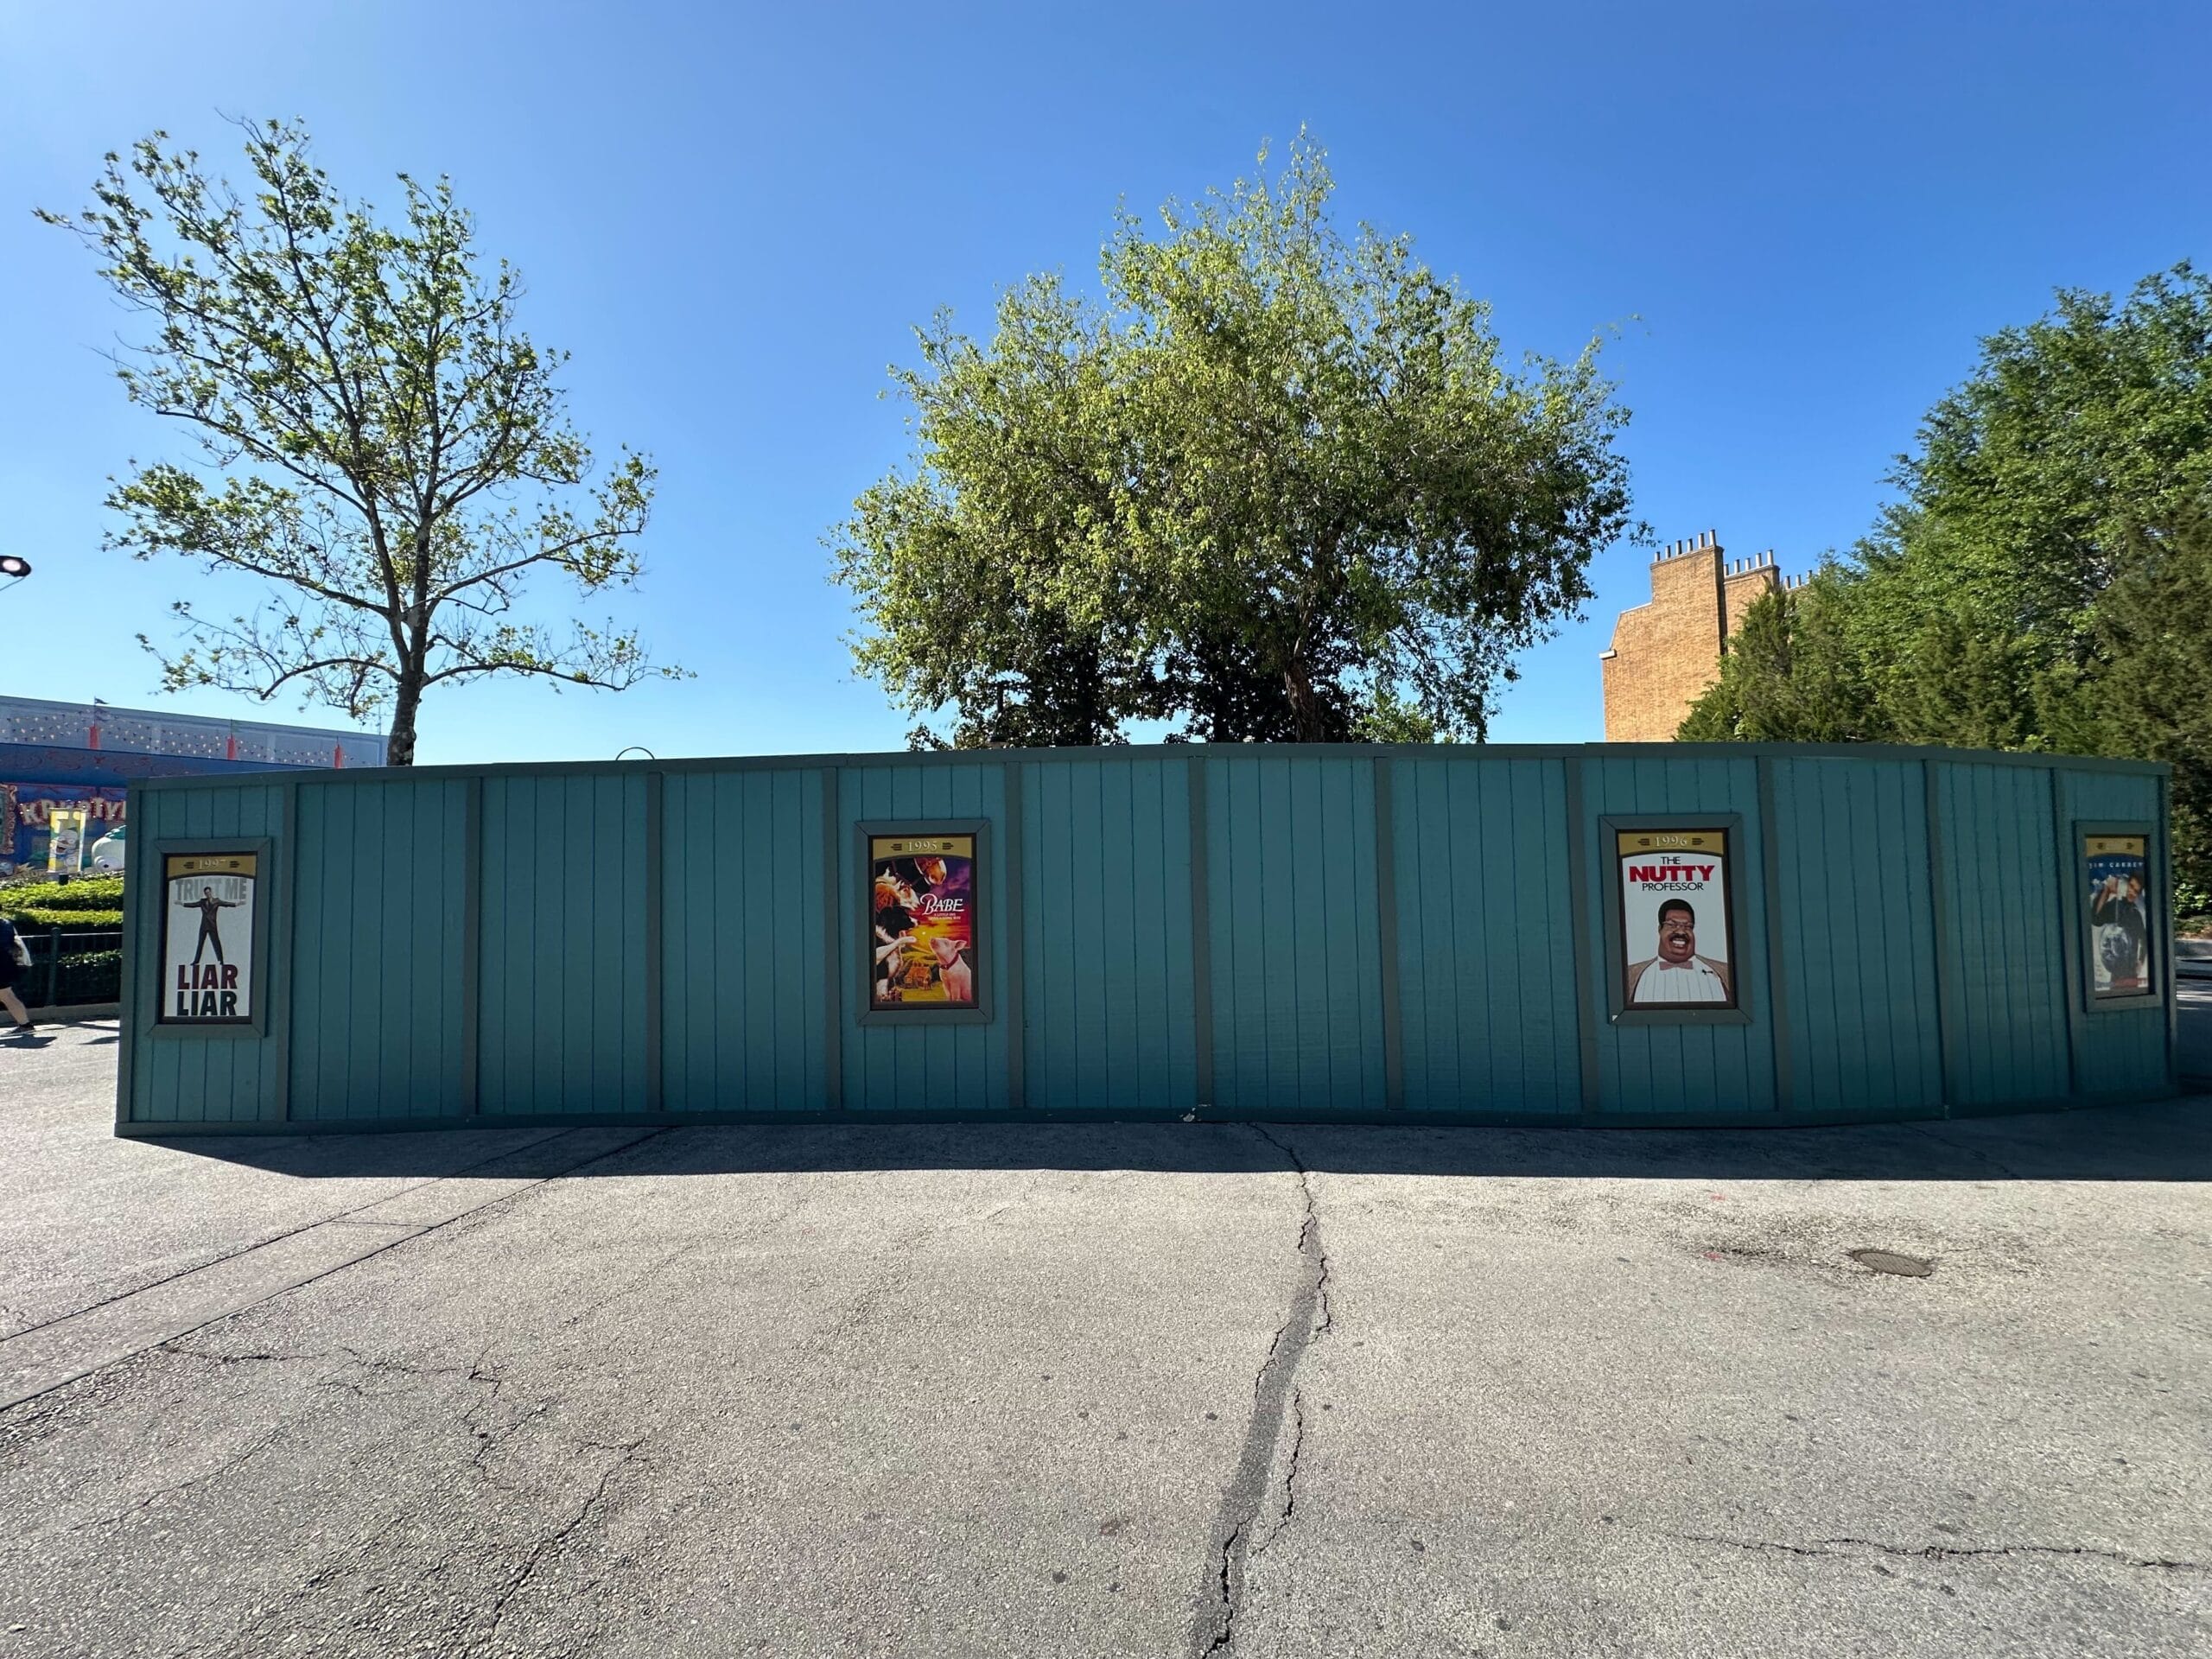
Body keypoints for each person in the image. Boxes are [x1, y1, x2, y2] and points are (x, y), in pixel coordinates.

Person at [1625, 897, 1732, 1004]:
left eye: (1688, 926)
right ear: (1660, 929)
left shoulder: (1725, 972)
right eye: (1672, 925)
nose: (1681, 931)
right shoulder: (1630, 975)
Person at [2090, 870, 2149, 992]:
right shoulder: (2116, 907)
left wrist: (2140, 961)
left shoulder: (2134, 912)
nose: (2132, 891)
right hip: (2116, 967)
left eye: (2136, 890)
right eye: (2131, 886)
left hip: (2130, 969)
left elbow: (2143, 939)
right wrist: (2107, 890)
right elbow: (2096, 919)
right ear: (2127, 884)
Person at [179, 883, 240, 967]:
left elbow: (225, 903)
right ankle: (196, 961)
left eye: (209, 892)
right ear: (205, 894)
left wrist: (236, 904)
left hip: (212, 925)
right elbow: (193, 905)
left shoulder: (216, 901)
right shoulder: (202, 902)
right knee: (200, 943)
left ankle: (221, 960)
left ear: (211, 892)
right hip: (204, 925)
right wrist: (183, 904)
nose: (208, 894)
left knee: (216, 942)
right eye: (206, 893)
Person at [0, 912, 35, 1037]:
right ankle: (25, 1026)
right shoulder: (6, 923)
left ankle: (25, 1026)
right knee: (7, 996)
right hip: (5, 964)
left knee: (7, 996)